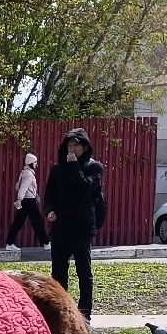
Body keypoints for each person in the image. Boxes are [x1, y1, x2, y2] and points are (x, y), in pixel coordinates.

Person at [42, 128, 107, 320]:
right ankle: (60, 311)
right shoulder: (57, 169)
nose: (72, 149)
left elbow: (85, 188)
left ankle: (85, 313)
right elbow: (49, 196)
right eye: (69, 145)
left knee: (83, 272)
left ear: (85, 147)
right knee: (58, 272)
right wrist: (50, 210)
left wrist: (74, 167)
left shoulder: (94, 167)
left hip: (82, 227)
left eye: (76, 145)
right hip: (61, 227)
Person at [3, 151, 48, 251]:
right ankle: (46, 242)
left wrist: (35, 195)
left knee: (18, 222)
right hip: (28, 201)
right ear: (31, 163)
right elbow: (23, 187)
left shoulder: (24, 172)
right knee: (38, 222)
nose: (37, 164)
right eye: (35, 162)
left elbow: (18, 186)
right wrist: (19, 199)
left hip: (27, 200)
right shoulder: (29, 174)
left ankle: (9, 243)